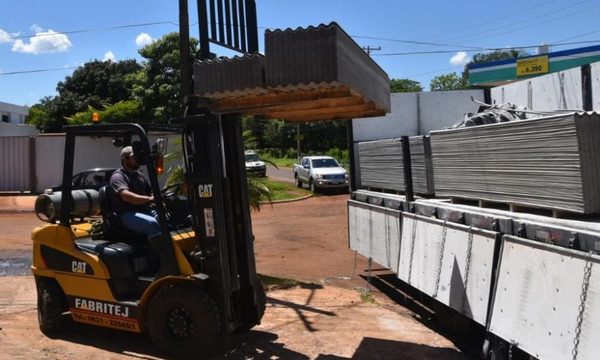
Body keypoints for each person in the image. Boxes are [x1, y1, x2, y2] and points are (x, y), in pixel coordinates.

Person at [108, 146, 161, 239]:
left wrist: (157, 196)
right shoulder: (118, 176)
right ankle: (161, 252)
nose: (137, 160)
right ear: (125, 159)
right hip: (126, 214)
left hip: (143, 210)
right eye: (134, 158)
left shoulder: (139, 174)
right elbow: (126, 196)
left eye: (138, 157)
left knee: (166, 218)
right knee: (151, 223)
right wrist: (149, 199)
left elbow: (150, 190)